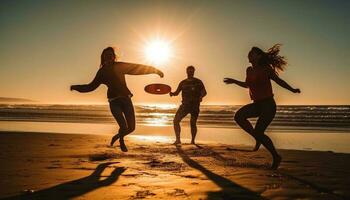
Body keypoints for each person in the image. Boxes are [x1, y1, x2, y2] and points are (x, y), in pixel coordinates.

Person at [70, 47, 164, 152]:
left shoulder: (120, 66)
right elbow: (90, 87)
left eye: (110, 55)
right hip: (114, 102)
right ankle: (121, 139)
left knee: (132, 128)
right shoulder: (102, 72)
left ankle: (118, 136)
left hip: (126, 100)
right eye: (106, 55)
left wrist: (154, 70)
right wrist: (76, 87)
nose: (108, 57)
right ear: (103, 58)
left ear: (114, 57)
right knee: (124, 127)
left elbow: (136, 68)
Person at [224, 44, 300, 169]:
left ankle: (276, 156)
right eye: (249, 53)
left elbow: (278, 81)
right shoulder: (249, 70)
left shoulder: (266, 68)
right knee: (238, 116)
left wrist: (292, 89)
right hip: (257, 104)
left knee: (259, 132)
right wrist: (234, 81)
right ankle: (257, 137)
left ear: (259, 56)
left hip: (268, 105)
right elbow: (246, 85)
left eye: (252, 53)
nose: (249, 54)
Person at [170, 66, 207, 145]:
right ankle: (178, 140)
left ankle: (193, 141)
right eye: (189, 71)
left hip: (195, 105)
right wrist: (172, 93)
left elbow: (204, 92)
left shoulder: (198, 82)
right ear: (186, 72)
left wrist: (201, 96)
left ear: (194, 72)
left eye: (192, 71)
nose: (190, 72)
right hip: (185, 106)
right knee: (176, 121)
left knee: (193, 123)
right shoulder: (182, 82)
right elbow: (177, 93)